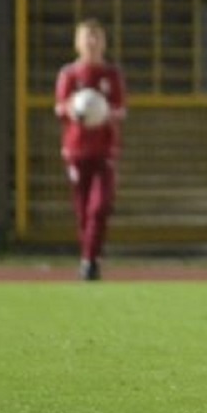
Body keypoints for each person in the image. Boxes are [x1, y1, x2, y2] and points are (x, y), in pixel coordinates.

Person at [53, 18, 126, 282]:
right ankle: (90, 257)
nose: (92, 42)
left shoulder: (112, 75)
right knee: (83, 210)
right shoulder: (69, 74)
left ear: (104, 42)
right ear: (78, 42)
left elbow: (121, 109)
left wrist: (105, 113)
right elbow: (60, 107)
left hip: (105, 151)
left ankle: (90, 260)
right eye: (87, 37)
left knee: (100, 206)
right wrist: (72, 108)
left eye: (97, 37)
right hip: (76, 151)